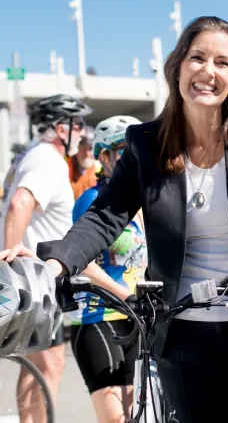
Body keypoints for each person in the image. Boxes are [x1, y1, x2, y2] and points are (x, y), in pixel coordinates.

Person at [0, 15, 228, 423]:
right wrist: (50, 263)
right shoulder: (146, 144)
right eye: (197, 57)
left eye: (222, 62)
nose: (208, 71)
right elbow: (104, 216)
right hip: (185, 333)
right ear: (177, 66)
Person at [0, 93, 92, 423]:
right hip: (32, 280)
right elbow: (20, 204)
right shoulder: (48, 159)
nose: (82, 132)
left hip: (33, 277)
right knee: (49, 364)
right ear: (62, 128)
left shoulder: (29, 156)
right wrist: (11, 265)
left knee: (38, 364)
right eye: (79, 125)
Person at [68, 115, 148, 423]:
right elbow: (81, 259)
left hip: (135, 318)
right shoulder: (92, 200)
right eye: (123, 150)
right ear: (104, 156)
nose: (133, 158)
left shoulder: (140, 201)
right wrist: (124, 293)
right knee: (116, 419)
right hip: (98, 318)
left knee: (135, 416)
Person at [71, 125, 100, 199]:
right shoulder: (65, 169)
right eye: (83, 148)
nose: (87, 154)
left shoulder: (101, 171)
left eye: (90, 148)